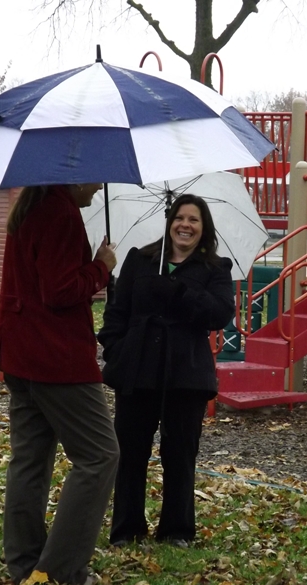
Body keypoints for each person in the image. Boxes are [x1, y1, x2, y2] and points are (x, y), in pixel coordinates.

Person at [0, 183, 120, 585]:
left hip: (19, 353)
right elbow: (59, 291)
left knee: (29, 461)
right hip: (55, 358)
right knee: (100, 456)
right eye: (96, 178)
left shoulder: (32, 206)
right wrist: (101, 267)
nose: (99, 186)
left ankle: (24, 563)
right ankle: (59, 570)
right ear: (76, 175)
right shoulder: (59, 212)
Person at [98, 194, 235, 548]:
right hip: (138, 370)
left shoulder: (215, 269)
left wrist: (177, 292)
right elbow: (117, 311)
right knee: (130, 452)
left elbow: (219, 313)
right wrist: (116, 348)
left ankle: (176, 530)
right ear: (169, 221)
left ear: (203, 228)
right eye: (179, 218)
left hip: (186, 375)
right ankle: (127, 528)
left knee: (180, 454)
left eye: (193, 220)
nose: (185, 225)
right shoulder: (141, 259)